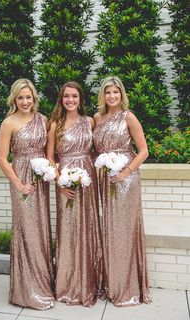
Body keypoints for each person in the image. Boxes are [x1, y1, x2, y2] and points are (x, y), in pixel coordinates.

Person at [93, 76, 152, 307]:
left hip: (125, 180)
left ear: (122, 94)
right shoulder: (97, 118)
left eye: (116, 93)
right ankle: (111, 283)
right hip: (105, 179)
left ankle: (127, 287)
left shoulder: (129, 117)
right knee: (109, 230)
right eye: (108, 92)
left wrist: (126, 172)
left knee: (124, 232)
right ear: (103, 95)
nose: (112, 97)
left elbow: (144, 151)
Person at [0, 78, 55, 310]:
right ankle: (26, 292)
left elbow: (51, 152)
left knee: (41, 230)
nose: (24, 101)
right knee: (26, 230)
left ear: (34, 98)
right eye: (20, 97)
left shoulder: (43, 120)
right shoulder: (8, 123)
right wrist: (19, 185)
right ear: (14, 99)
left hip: (41, 180)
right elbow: (2, 159)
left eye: (28, 97)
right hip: (21, 177)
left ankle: (42, 285)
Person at [47, 81, 103, 307]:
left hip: (88, 179)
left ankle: (88, 282)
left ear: (80, 99)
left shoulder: (89, 122)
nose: (70, 100)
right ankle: (68, 284)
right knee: (68, 230)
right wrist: (60, 182)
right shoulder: (55, 125)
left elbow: (97, 150)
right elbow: (50, 157)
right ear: (61, 99)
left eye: (75, 96)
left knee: (88, 228)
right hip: (66, 181)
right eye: (66, 96)